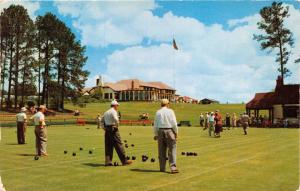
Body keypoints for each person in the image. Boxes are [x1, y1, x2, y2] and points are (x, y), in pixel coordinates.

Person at [102, 100, 132, 166]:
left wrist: (103, 127)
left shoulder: (106, 112)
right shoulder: (113, 111)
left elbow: (102, 120)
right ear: (115, 105)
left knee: (108, 145)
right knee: (119, 144)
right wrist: (117, 126)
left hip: (107, 129)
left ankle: (108, 161)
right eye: (117, 105)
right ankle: (124, 161)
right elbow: (116, 119)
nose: (117, 107)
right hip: (113, 129)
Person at [153, 99, 179, 173]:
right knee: (172, 149)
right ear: (168, 104)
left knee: (161, 151)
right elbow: (174, 123)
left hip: (160, 131)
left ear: (161, 104)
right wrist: (176, 133)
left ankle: (162, 168)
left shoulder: (158, 112)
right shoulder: (170, 111)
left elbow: (155, 125)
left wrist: (156, 134)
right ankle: (173, 167)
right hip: (169, 131)